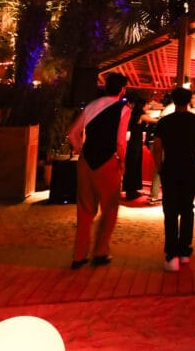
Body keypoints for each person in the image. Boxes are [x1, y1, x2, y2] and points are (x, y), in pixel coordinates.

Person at [66, 72, 130, 269]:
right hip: (107, 162)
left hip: (86, 162)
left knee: (84, 210)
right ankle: (100, 252)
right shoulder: (123, 108)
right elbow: (120, 141)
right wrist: (123, 161)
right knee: (109, 208)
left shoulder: (92, 105)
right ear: (122, 89)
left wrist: (80, 149)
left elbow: (72, 133)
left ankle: (79, 256)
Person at [153, 87, 195, 272]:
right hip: (190, 168)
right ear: (188, 101)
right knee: (187, 209)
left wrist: (159, 167)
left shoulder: (164, 122)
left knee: (170, 211)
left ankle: (171, 256)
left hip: (170, 169)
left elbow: (158, 148)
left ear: (174, 101)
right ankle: (185, 252)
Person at [123, 96, 155, 201]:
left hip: (134, 143)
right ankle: (131, 192)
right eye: (146, 105)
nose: (147, 106)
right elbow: (153, 120)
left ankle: (132, 190)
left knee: (134, 166)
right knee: (133, 166)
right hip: (135, 144)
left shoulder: (135, 114)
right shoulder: (140, 115)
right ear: (142, 106)